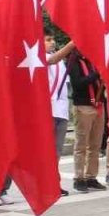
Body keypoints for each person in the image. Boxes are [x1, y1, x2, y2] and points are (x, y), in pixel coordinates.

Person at [67, 48, 108, 193]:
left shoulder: (94, 59)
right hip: (83, 105)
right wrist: (97, 73)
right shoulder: (74, 60)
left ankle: (91, 176)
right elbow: (78, 83)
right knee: (81, 144)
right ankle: (79, 178)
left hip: (98, 105)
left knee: (95, 145)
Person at [44, 36, 73, 197]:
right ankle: (46, 184)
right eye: (48, 39)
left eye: (53, 40)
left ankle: (54, 183)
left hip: (61, 111)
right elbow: (53, 59)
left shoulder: (60, 61)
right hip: (49, 111)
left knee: (56, 151)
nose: (52, 42)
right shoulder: (40, 56)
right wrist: (73, 43)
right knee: (48, 151)